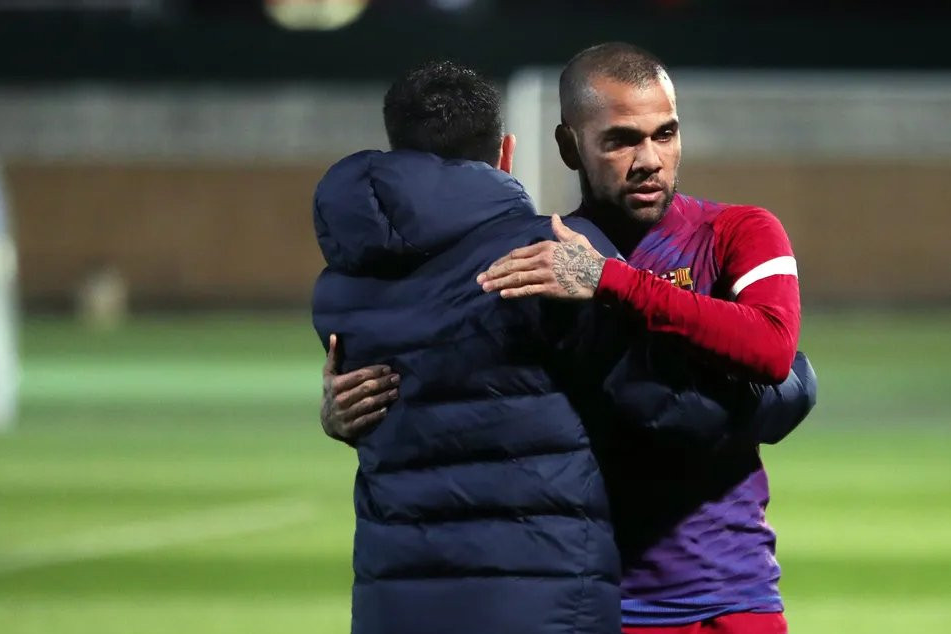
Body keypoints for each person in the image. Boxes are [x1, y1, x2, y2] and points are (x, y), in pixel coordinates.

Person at [312, 61, 814, 634]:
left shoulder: (735, 232)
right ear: (567, 147)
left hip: (724, 592)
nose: (648, 158)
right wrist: (344, 414)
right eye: (621, 140)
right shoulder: (540, 262)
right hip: (597, 596)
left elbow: (769, 347)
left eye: (665, 133)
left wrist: (612, 280)